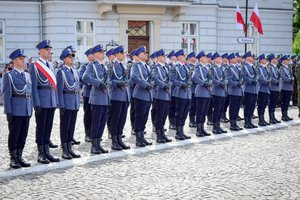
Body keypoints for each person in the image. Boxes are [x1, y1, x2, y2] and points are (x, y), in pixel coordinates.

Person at [30, 40, 60, 164]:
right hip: (41, 101)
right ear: (40, 51)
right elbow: (33, 87)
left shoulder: (50, 65)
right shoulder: (35, 66)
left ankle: (47, 151)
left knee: (48, 127)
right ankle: (41, 153)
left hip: (51, 101)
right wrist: (36, 103)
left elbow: (54, 86)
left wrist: (55, 101)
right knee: (41, 127)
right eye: (47, 49)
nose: (49, 51)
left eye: (50, 49)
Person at [3, 49, 32, 169]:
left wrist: (31, 108)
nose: (23, 60)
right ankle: (13, 158)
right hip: (15, 109)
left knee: (23, 134)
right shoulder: (9, 76)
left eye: (23, 58)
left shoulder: (27, 75)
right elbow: (6, 95)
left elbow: (30, 93)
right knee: (14, 134)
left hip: (26, 109)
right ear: (14, 61)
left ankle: (20, 156)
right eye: (20, 58)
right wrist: (8, 111)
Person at [82, 44, 110, 154]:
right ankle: (94, 146)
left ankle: (98, 143)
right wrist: (98, 83)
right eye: (100, 52)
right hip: (97, 97)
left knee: (102, 122)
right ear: (94, 54)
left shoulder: (104, 66)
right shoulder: (91, 66)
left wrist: (106, 83)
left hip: (105, 97)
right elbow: (85, 77)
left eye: (102, 52)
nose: (102, 53)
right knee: (96, 122)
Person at [57, 47, 81, 159]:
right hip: (66, 102)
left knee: (71, 126)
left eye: (73, 56)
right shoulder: (61, 72)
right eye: (69, 56)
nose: (72, 58)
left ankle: (70, 148)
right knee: (65, 126)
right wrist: (61, 105)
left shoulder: (74, 71)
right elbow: (60, 90)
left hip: (74, 102)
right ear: (64, 59)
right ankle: (64, 149)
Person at [109, 45, 131, 150]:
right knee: (115, 119)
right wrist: (118, 83)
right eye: (122, 53)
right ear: (116, 54)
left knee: (122, 119)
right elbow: (109, 80)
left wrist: (126, 82)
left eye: (124, 53)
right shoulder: (111, 65)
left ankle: (119, 139)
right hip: (116, 95)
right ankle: (114, 141)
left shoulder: (124, 65)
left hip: (125, 95)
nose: (124, 55)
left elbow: (128, 79)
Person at [131, 46, 153, 147]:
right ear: (139, 55)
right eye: (144, 53)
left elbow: (151, 77)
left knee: (144, 117)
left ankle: (142, 137)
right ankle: (138, 138)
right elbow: (134, 77)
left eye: (146, 52)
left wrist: (151, 83)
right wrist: (145, 84)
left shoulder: (147, 66)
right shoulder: (136, 65)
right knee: (139, 117)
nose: (146, 54)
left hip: (148, 95)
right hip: (140, 94)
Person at [152, 49, 173, 143]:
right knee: (159, 116)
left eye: (165, 56)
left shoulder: (166, 67)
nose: (164, 57)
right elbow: (155, 78)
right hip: (159, 94)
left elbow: (170, 78)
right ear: (158, 57)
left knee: (164, 115)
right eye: (163, 56)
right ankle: (158, 135)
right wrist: (163, 85)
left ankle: (162, 133)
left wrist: (169, 85)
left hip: (167, 94)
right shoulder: (156, 67)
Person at [171, 49, 192, 140]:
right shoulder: (175, 67)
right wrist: (181, 84)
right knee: (179, 113)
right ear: (179, 57)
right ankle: (178, 132)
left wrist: (188, 84)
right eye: (183, 55)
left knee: (185, 113)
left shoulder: (185, 67)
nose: (185, 57)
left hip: (187, 93)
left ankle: (182, 130)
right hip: (179, 93)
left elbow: (189, 78)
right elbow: (173, 80)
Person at [192, 51, 212, 136]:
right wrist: (203, 83)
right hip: (201, 92)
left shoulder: (207, 67)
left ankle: (202, 128)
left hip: (207, 92)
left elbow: (210, 77)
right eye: (204, 57)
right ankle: (198, 129)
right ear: (200, 58)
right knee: (200, 111)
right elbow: (194, 77)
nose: (206, 58)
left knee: (204, 111)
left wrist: (210, 82)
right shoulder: (198, 67)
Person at [79, 47, 94, 142]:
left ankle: (94, 133)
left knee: (95, 115)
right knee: (88, 114)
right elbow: (81, 77)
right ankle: (87, 133)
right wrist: (91, 82)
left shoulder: (98, 65)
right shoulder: (85, 66)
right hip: (88, 93)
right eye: (92, 54)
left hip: (97, 94)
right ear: (88, 56)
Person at [211, 52, 228, 134]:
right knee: (217, 110)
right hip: (216, 91)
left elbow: (226, 77)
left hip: (223, 91)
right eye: (219, 57)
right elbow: (212, 78)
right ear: (215, 59)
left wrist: (225, 82)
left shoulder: (223, 68)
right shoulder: (213, 68)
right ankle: (215, 127)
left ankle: (218, 126)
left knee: (220, 110)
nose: (221, 59)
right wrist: (219, 83)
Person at [226, 53, 243, 131]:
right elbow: (228, 80)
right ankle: (232, 124)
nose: (236, 59)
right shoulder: (229, 68)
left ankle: (235, 122)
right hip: (233, 91)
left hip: (239, 91)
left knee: (237, 107)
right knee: (233, 108)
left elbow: (241, 77)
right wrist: (236, 83)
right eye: (234, 58)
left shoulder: (238, 68)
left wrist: (241, 82)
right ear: (231, 59)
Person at [242, 51, 258, 129]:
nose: (253, 58)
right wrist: (251, 81)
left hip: (254, 89)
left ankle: (250, 121)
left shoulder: (253, 66)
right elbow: (244, 77)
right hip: (248, 89)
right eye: (251, 57)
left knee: (252, 106)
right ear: (247, 58)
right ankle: (246, 122)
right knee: (248, 106)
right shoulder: (245, 66)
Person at [256, 54, 271, 126]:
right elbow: (260, 78)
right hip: (261, 89)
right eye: (264, 59)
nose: (266, 60)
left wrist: (269, 81)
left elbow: (269, 76)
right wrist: (267, 81)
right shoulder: (259, 68)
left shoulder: (266, 68)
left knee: (264, 105)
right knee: (261, 105)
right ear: (261, 60)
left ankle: (263, 118)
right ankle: (260, 120)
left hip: (266, 89)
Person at [268, 53, 281, 124]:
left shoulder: (276, 67)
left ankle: (273, 116)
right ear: (272, 59)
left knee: (274, 103)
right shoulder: (270, 67)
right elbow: (270, 77)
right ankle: (271, 118)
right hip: (272, 87)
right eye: (275, 58)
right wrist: (276, 81)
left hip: (276, 87)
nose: (276, 60)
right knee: (272, 103)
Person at [279, 55, 294, 121]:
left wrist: (291, 79)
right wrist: (290, 79)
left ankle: (286, 114)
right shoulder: (282, 69)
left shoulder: (289, 68)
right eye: (287, 60)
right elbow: (283, 77)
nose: (288, 61)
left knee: (287, 102)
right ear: (284, 61)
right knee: (284, 102)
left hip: (289, 87)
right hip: (284, 87)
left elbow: (291, 76)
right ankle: (283, 115)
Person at [186, 52, 197, 128]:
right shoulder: (188, 67)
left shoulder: (197, 66)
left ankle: (195, 120)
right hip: (192, 89)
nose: (195, 58)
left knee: (196, 106)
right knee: (192, 106)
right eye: (194, 56)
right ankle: (191, 121)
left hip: (197, 90)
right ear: (190, 58)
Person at [167, 50, 177, 130]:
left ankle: (175, 122)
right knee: (171, 107)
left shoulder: (177, 65)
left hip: (177, 89)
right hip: (171, 89)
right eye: (173, 56)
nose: (175, 57)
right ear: (171, 57)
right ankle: (171, 122)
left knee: (176, 107)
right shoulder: (169, 66)